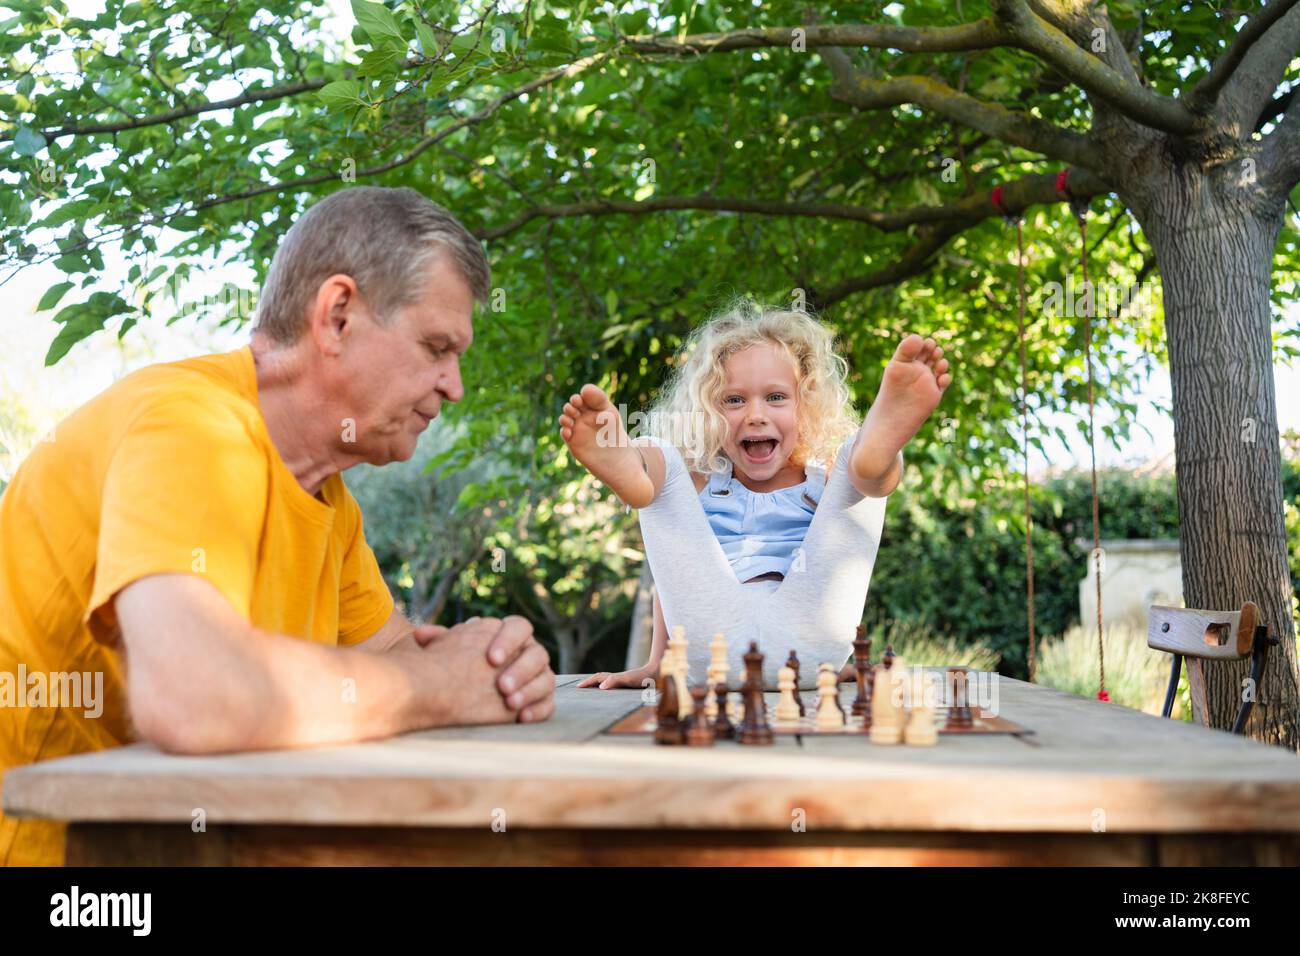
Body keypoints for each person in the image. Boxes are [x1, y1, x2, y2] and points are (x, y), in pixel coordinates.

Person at [0, 187, 555, 866]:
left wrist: (496, 665)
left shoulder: (328, 498)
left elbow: (393, 667)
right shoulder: (190, 426)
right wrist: (445, 686)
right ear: (337, 316)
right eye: (437, 347)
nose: (455, 384)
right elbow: (195, 698)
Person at [560, 302, 951, 689]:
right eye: (734, 400)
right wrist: (658, 662)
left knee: (855, 472)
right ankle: (633, 466)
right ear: (708, 412)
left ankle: (877, 450)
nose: (756, 415)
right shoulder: (701, 479)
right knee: (667, 464)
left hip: (808, 632)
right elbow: (678, 572)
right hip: (725, 636)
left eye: (776, 397)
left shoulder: (823, 479)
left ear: (806, 405)